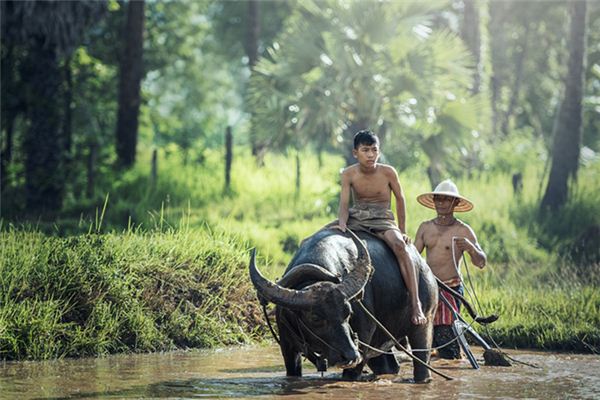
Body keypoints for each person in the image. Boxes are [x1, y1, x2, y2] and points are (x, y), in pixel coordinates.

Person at [334, 130, 427, 326]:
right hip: (357, 217)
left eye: (374, 150)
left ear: (379, 151)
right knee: (318, 237)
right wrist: (342, 223)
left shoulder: (388, 172)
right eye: (365, 150)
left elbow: (400, 200)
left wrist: (402, 230)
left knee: (401, 247)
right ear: (355, 153)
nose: (370, 155)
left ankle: (415, 302)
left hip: (382, 218)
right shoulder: (348, 173)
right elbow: (344, 203)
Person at [414, 179, 487, 359]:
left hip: (451, 289)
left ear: (455, 203)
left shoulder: (463, 230)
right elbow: (413, 258)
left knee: (447, 337)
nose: (441, 203)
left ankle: (452, 361)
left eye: (446, 200)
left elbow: (481, 262)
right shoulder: (425, 228)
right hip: (428, 288)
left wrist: (470, 248)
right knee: (423, 336)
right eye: (438, 199)